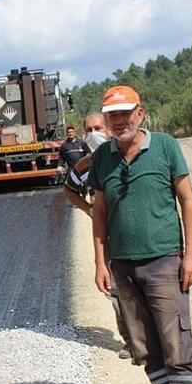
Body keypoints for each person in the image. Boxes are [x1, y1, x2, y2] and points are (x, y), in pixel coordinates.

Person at [89, 85, 192, 384]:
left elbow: (187, 200)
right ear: (106, 120)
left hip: (164, 262)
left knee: (178, 351)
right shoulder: (103, 158)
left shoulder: (166, 146)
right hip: (123, 268)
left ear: (140, 113)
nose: (119, 120)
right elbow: (99, 212)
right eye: (112, 115)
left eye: (126, 113)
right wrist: (100, 263)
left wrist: (191, 254)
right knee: (147, 350)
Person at [63, 112, 132, 360]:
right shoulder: (85, 165)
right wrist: (90, 210)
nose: (94, 134)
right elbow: (69, 190)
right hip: (109, 238)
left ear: (109, 130)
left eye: (98, 128)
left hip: (135, 236)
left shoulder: (128, 155)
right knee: (117, 291)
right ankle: (131, 341)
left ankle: (150, 341)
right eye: (89, 130)